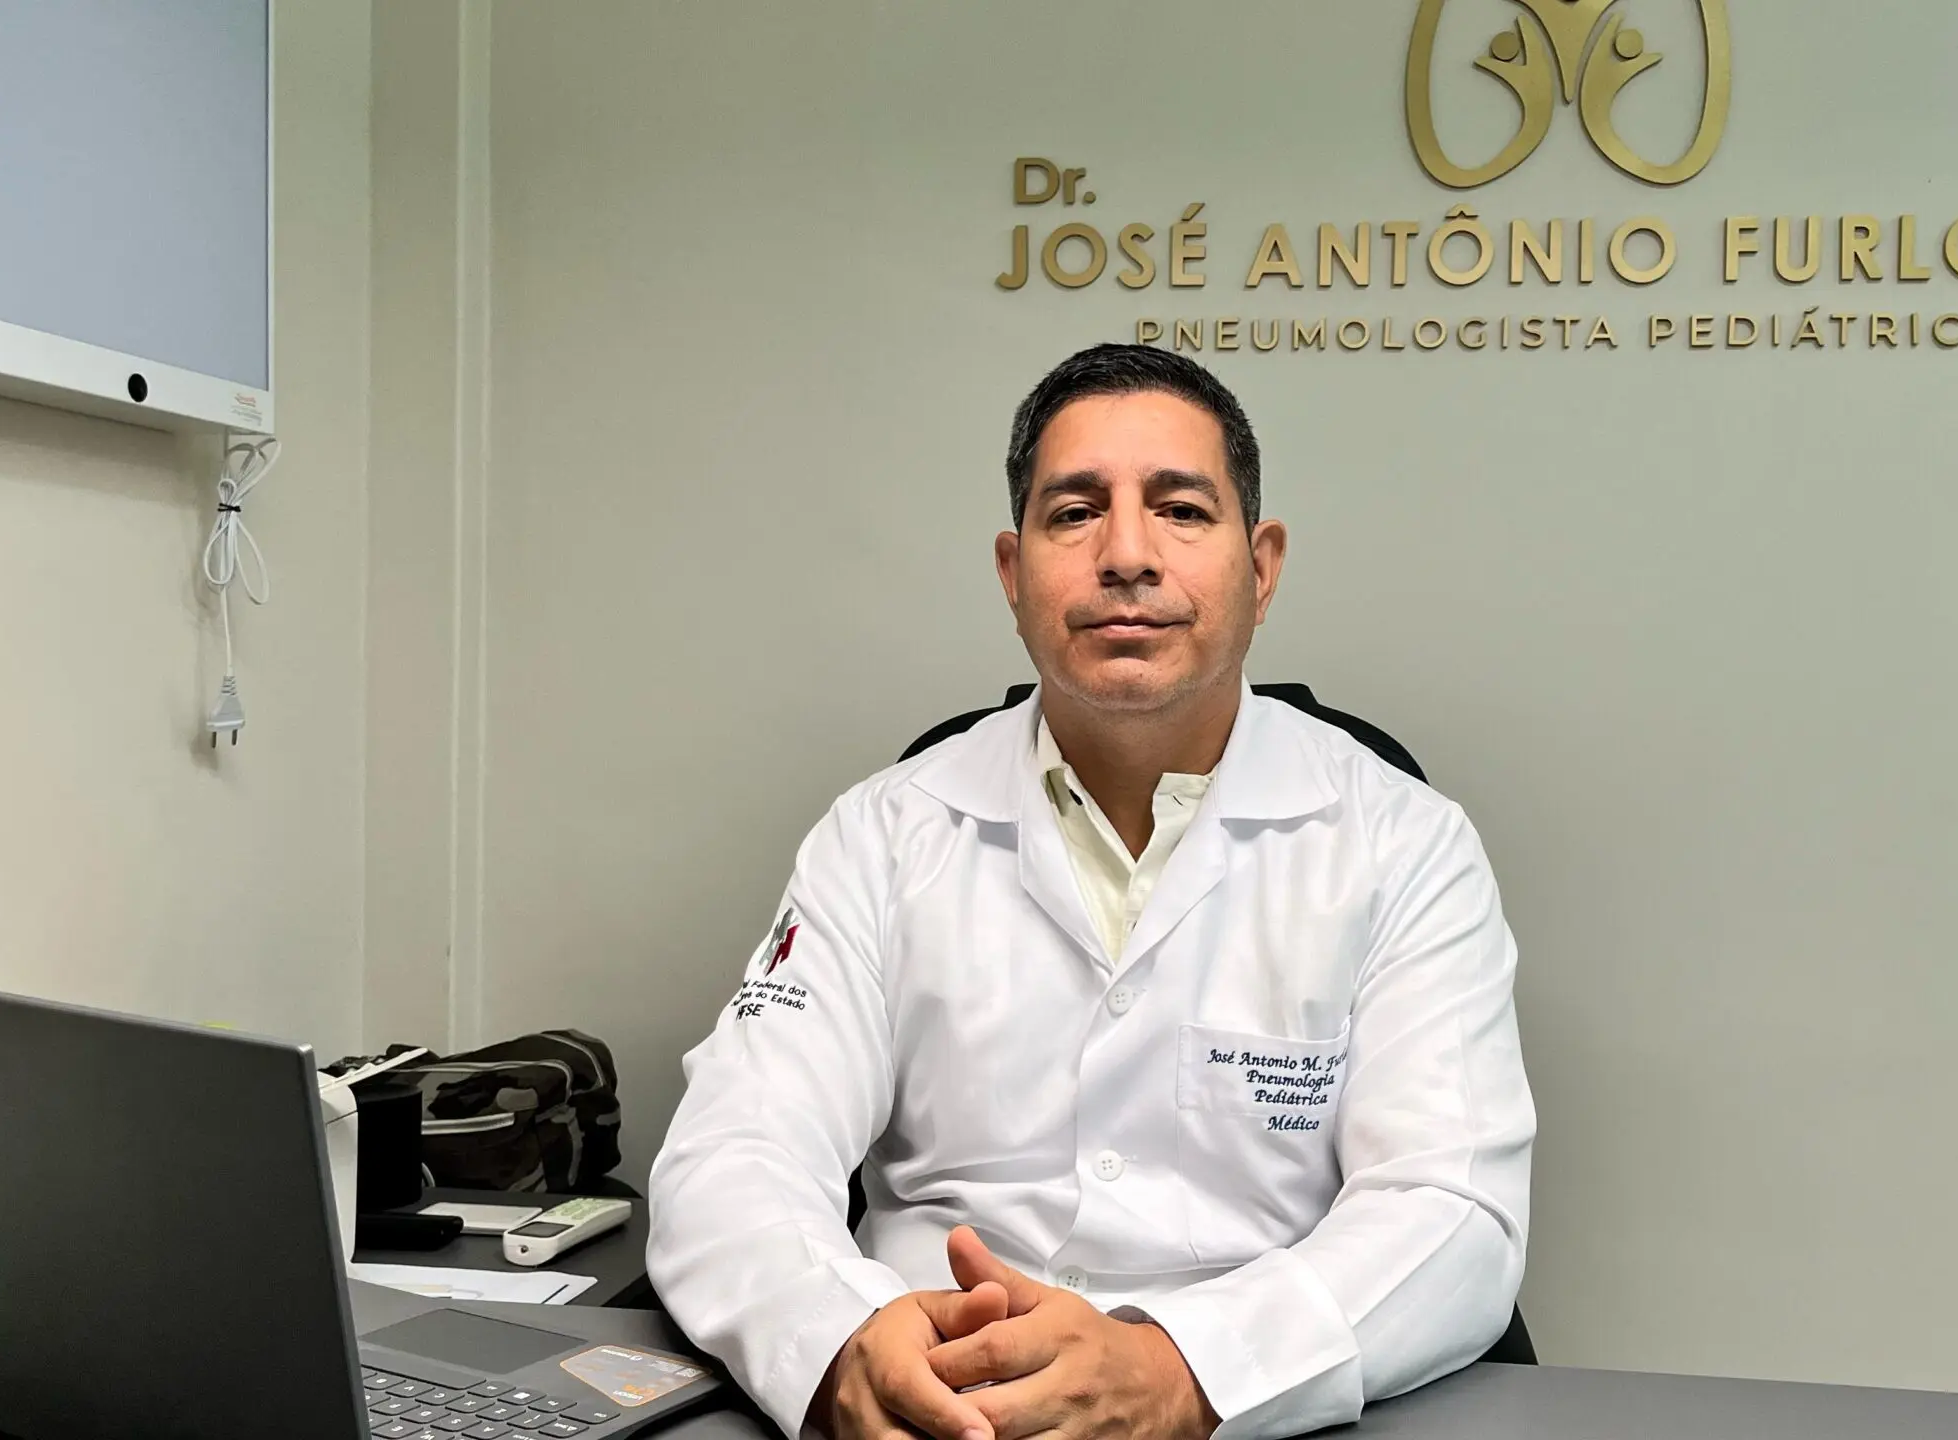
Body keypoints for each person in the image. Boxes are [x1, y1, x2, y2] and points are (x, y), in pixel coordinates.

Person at [649, 344, 1535, 1440]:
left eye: (1181, 510)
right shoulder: (881, 834)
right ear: (1013, 574)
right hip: (936, 1408)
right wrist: (838, 1344)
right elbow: (735, 1152)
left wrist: (1178, 1373)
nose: (1126, 556)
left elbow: (1452, 1212)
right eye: (1074, 514)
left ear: (1261, 568)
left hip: (1255, 1412)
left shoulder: (1404, 842)